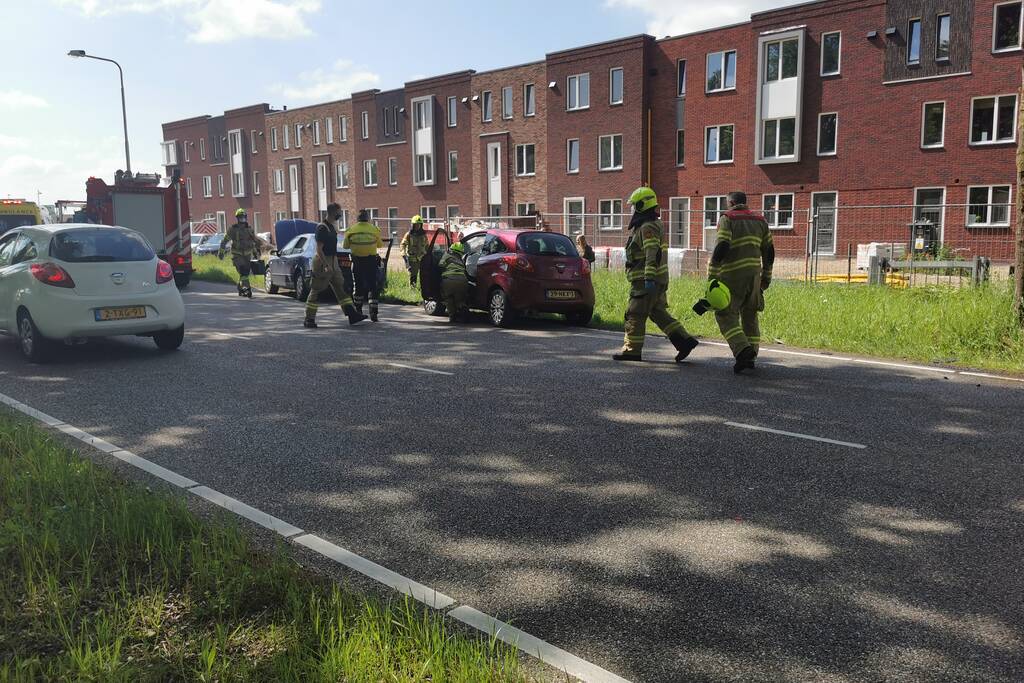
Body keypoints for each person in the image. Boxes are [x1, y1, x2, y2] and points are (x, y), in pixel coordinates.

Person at [613, 187, 699, 363]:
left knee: (634, 314)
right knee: (658, 312)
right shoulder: (651, 224)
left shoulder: (648, 227)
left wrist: (648, 277)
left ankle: (632, 350)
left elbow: (652, 253)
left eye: (635, 205)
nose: (633, 209)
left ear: (642, 205)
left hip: (645, 281)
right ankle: (684, 341)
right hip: (656, 279)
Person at [708, 191, 775, 374]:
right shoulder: (760, 220)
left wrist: (712, 278)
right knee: (750, 315)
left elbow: (722, 246)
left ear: (730, 202)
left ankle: (742, 350)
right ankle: (751, 356)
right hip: (754, 276)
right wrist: (766, 277)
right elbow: (769, 252)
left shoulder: (727, 218)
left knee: (725, 314)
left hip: (732, 275)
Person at [304, 203, 367, 328]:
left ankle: (352, 314)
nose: (340, 214)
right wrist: (326, 265)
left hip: (333, 260)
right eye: (339, 212)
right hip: (323, 262)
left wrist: (333, 264)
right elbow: (319, 249)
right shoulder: (322, 228)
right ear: (333, 212)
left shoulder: (331, 227)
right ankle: (309, 319)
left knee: (341, 288)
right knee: (317, 289)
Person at [343, 209, 385, 321]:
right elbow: (380, 245)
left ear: (357, 219)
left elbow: (345, 246)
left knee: (358, 286)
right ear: (368, 218)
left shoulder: (351, 230)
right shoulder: (374, 229)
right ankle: (373, 313)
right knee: (373, 286)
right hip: (371, 262)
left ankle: (358, 310)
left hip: (357, 262)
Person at [220, 208, 259, 298]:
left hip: (247, 255)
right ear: (237, 218)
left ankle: (240, 287)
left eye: (243, 217)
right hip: (237, 255)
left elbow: (253, 242)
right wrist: (221, 253)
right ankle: (247, 288)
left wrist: (255, 253)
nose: (242, 219)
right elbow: (224, 241)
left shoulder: (249, 229)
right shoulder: (233, 229)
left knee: (245, 273)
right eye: (240, 217)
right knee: (243, 271)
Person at [438, 242, 469, 323]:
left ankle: (453, 316)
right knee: (460, 300)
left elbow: (440, 265)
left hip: (449, 280)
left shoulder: (447, 255)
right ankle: (463, 309)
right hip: (462, 281)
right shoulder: (461, 260)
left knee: (448, 298)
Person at [400, 215, 428, 286]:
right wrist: (403, 254)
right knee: (413, 275)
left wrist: (429, 254)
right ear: (413, 225)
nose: (417, 226)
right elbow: (403, 244)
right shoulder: (409, 235)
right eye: (416, 225)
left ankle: (423, 289)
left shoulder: (424, 235)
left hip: (423, 258)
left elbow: (427, 246)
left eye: (419, 224)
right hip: (412, 259)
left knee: (424, 275)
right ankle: (413, 289)